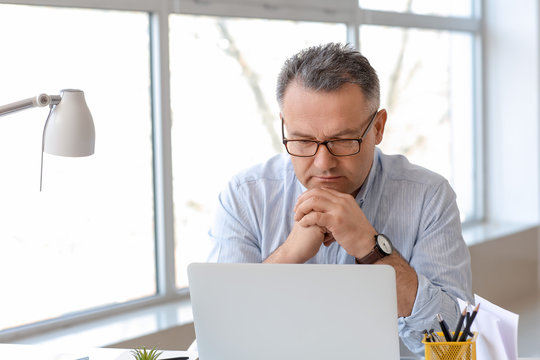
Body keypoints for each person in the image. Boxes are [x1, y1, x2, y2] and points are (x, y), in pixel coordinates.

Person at [208, 42, 473, 354]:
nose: (323, 163)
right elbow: (223, 340)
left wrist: (372, 250)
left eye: (343, 140)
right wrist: (289, 255)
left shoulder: (428, 196)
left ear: (378, 127)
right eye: (303, 140)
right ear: (284, 125)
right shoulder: (245, 196)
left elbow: (455, 347)